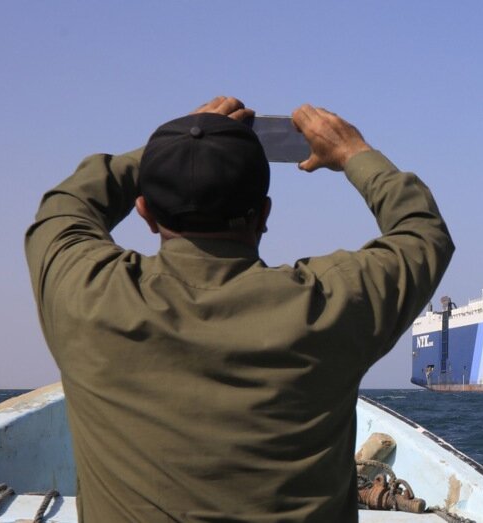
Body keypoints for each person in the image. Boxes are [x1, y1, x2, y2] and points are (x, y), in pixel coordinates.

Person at [25, 96, 453, 522]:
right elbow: (422, 233)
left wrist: (172, 149)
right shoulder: (333, 303)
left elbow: (64, 207)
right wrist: (353, 152)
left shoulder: (86, 293)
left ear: (144, 211)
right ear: (263, 214)